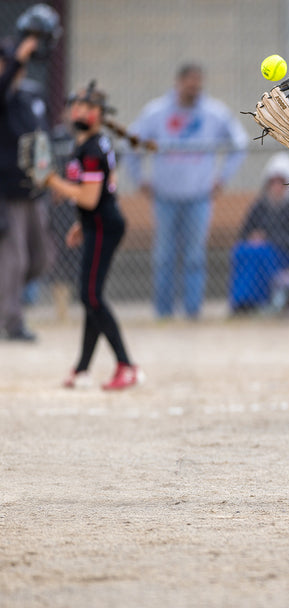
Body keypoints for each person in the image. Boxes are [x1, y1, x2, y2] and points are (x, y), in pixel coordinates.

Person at [38, 83, 143, 390]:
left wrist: (52, 181)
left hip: (103, 225)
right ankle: (82, 369)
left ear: (100, 114)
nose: (80, 112)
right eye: (77, 106)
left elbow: (89, 197)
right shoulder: (88, 144)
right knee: (90, 296)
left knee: (91, 296)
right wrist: (80, 223)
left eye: (88, 108)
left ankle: (127, 365)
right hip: (95, 223)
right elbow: (101, 190)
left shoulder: (94, 148)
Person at [128, 62, 248, 320]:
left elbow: (240, 143)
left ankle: (192, 312)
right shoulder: (156, 112)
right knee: (164, 257)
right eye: (189, 83)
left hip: (199, 197)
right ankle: (163, 313)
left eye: (198, 83)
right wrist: (139, 179)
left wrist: (222, 178)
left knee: (194, 256)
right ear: (178, 82)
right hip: (165, 197)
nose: (194, 88)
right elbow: (132, 144)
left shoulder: (214, 113)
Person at [0, 29, 53, 342]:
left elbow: (44, 137)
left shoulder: (30, 96)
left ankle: (7, 301)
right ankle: (12, 322)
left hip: (34, 190)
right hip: (6, 194)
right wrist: (17, 59)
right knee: (15, 260)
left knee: (41, 258)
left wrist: (53, 179)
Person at [228, 152, 289, 313]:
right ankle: (240, 303)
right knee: (241, 250)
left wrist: (270, 239)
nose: (276, 187)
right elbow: (245, 232)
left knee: (260, 254)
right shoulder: (262, 204)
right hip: (263, 251)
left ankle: (258, 302)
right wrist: (253, 237)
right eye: (272, 182)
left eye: (281, 182)